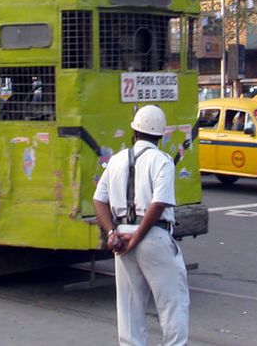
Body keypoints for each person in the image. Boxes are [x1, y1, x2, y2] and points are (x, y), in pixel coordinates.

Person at [93, 105, 189, 346]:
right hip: (152, 236)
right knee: (172, 304)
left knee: (129, 309)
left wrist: (112, 233)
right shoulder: (163, 161)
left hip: (122, 236)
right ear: (160, 135)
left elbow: (98, 200)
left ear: (134, 132)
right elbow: (159, 203)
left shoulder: (116, 160)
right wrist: (137, 236)